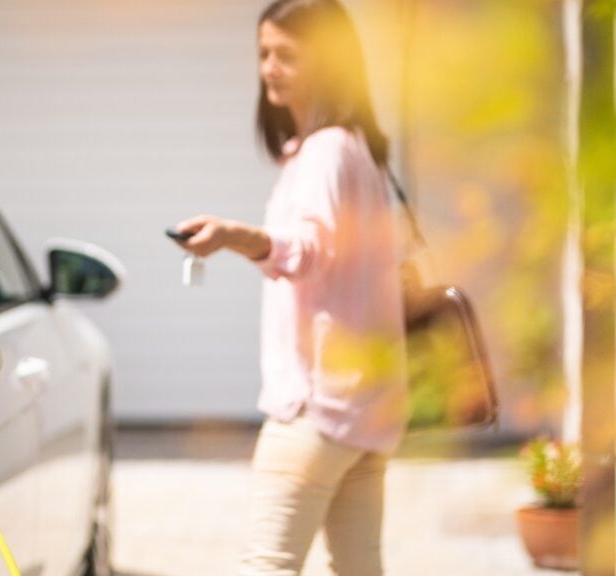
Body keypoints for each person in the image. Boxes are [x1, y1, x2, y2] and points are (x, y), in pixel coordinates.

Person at [172, 1, 407, 574]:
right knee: (359, 567)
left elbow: (310, 250)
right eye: (263, 54)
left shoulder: (328, 150)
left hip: (316, 409)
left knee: (267, 564)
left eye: (286, 55)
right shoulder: (355, 147)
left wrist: (233, 236)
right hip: (366, 408)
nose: (269, 68)